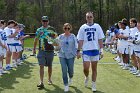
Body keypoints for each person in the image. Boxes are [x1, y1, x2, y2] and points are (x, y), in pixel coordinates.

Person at [77, 11, 104, 92]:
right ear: (86, 18)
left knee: (94, 68)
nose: (89, 18)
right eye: (88, 17)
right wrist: (78, 50)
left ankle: (93, 84)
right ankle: (87, 76)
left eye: (90, 16)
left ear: (93, 17)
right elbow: (80, 40)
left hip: (95, 50)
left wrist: (102, 50)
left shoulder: (97, 26)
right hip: (86, 50)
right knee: (86, 68)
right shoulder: (83, 27)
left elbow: (100, 39)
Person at [33, 16, 57, 89]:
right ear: (41, 21)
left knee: (49, 66)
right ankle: (41, 82)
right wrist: (34, 49)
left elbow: (56, 38)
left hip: (50, 50)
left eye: (46, 21)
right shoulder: (39, 30)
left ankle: (49, 79)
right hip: (41, 50)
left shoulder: (52, 29)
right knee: (41, 66)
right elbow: (36, 39)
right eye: (43, 21)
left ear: (48, 21)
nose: (45, 22)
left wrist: (55, 43)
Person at [58, 23, 77, 92]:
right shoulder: (60, 36)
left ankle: (71, 77)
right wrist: (56, 46)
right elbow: (57, 45)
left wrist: (77, 52)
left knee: (70, 70)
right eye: (65, 28)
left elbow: (76, 45)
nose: (67, 30)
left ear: (70, 29)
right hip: (62, 55)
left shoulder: (73, 36)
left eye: (68, 28)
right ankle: (66, 84)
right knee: (64, 70)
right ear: (63, 29)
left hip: (71, 55)